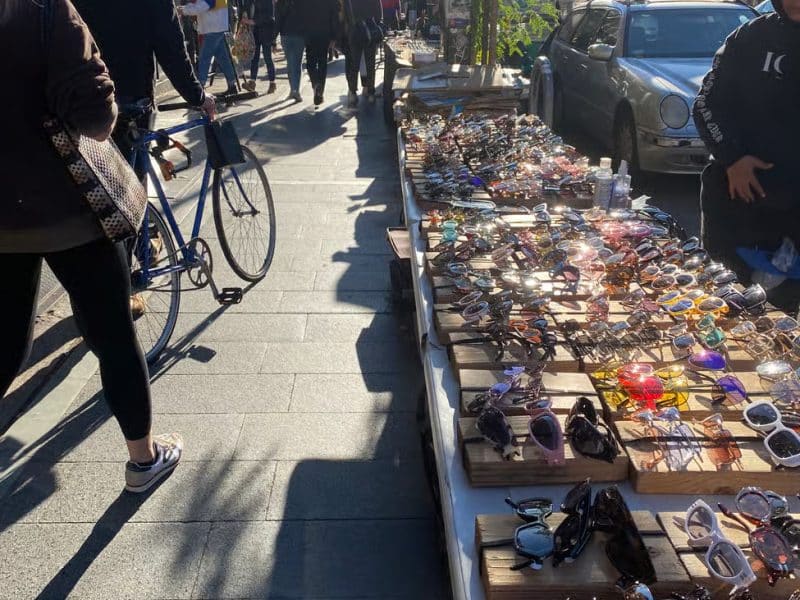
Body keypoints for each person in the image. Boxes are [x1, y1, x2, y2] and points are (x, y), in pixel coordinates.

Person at [1, 0, 183, 493]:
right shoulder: (45, 10)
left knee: (5, 345)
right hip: (67, 208)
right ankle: (143, 461)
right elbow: (96, 117)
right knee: (113, 334)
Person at [693, 0, 800, 313]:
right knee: (725, 310)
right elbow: (706, 104)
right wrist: (733, 159)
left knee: (785, 332)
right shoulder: (750, 36)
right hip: (739, 205)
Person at [69, 0, 215, 180]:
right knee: (131, 185)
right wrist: (198, 97)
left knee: (97, 184)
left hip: (84, 98)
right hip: (131, 94)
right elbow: (172, 51)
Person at [180, 0, 239, 95]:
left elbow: (202, 6)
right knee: (223, 58)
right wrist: (185, 9)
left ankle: (200, 89)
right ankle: (232, 85)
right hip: (217, 27)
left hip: (212, 28)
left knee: (204, 58)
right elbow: (201, 4)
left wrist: (184, 10)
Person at [342, 0, 383, 106]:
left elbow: (345, 14)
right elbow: (378, 12)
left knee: (354, 64)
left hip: (354, 31)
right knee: (370, 64)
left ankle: (352, 93)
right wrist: (375, 24)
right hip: (369, 31)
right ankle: (370, 93)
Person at [305, 0, 343, 107]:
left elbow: (302, 13)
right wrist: (334, 37)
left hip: (310, 34)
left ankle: (315, 82)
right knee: (322, 63)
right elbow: (335, 16)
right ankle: (320, 90)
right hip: (325, 33)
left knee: (310, 62)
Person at [241, 0, 277, 94]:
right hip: (255, 33)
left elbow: (269, 17)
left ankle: (272, 83)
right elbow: (245, 9)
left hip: (266, 32)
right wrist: (244, 14)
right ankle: (252, 82)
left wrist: (253, 22)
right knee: (254, 58)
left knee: (267, 58)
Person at [275, 0, 306, 102]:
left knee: (290, 63)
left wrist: (273, 40)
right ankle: (295, 90)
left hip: (286, 35)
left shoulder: (280, 3)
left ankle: (293, 89)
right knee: (297, 64)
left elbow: (278, 21)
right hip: (299, 35)